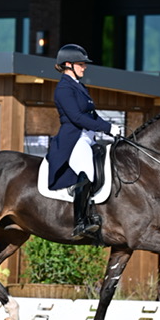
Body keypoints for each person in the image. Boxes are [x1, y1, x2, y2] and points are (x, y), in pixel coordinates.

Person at [46, 44, 122, 240]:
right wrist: (106, 128)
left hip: (88, 137)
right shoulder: (63, 88)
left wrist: (111, 128)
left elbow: (92, 115)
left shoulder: (79, 86)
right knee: (88, 172)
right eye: (81, 64)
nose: (84, 67)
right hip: (74, 139)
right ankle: (80, 222)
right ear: (68, 65)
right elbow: (77, 118)